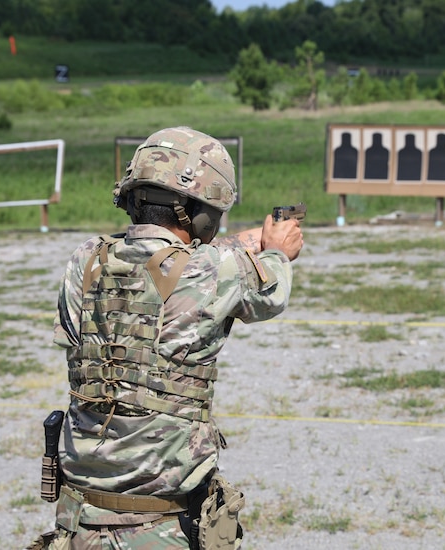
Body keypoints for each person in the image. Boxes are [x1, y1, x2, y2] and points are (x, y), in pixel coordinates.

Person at [33, 126, 303, 550]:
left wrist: (237, 245)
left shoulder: (85, 260)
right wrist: (276, 250)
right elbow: (271, 292)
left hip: (79, 519)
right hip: (161, 525)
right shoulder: (215, 269)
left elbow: (164, 260)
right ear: (200, 214)